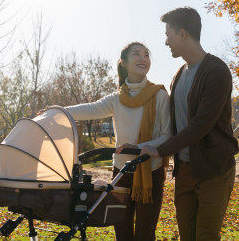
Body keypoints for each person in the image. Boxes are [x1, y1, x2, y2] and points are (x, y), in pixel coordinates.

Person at [140, 7, 239, 240]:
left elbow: (201, 125)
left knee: (205, 235)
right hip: (184, 172)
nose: (166, 42)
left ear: (182, 33)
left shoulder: (216, 71)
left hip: (213, 171)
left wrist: (159, 150)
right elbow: (174, 125)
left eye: (168, 35)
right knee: (187, 235)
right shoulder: (179, 74)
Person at [64, 42, 171, 241]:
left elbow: (167, 137)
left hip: (150, 173)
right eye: (136, 54)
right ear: (124, 62)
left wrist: (137, 149)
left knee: (145, 234)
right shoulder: (117, 98)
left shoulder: (160, 95)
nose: (143, 58)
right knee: (121, 233)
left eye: (146, 54)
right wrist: (61, 111)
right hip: (120, 172)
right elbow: (92, 109)